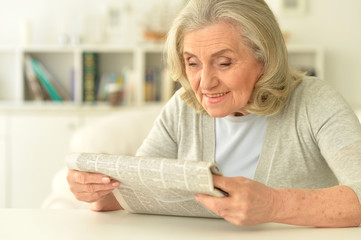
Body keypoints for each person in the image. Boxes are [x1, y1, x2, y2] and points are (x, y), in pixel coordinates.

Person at [67, 0, 361, 227]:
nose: (205, 83)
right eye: (193, 63)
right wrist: (99, 193)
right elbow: (140, 192)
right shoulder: (182, 106)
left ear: (264, 60)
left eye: (223, 62)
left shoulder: (314, 101)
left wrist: (274, 204)